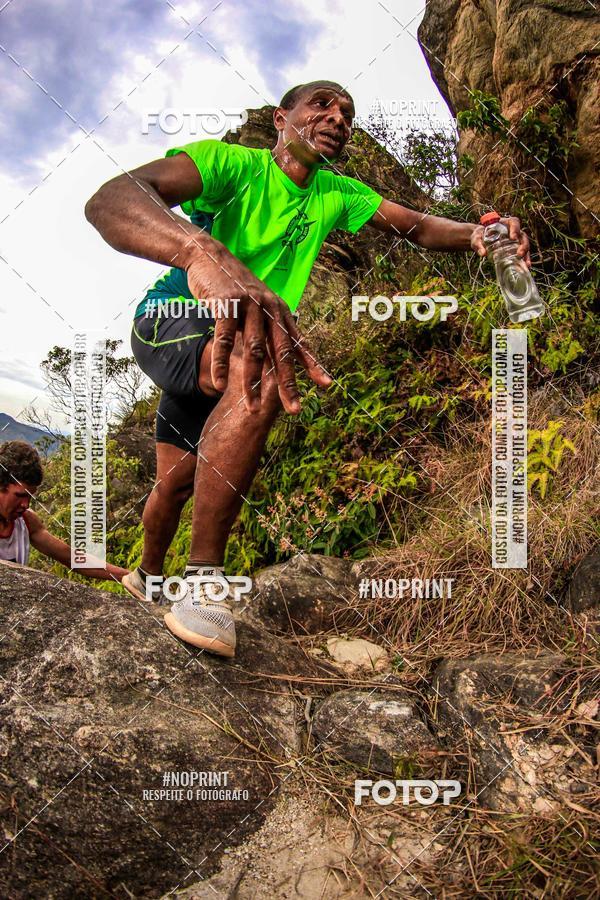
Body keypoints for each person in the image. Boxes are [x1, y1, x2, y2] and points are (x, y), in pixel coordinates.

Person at [85, 79, 530, 658]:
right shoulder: (232, 165)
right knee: (267, 364)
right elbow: (111, 200)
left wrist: (477, 233)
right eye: (322, 103)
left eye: (347, 112)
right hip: (172, 321)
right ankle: (202, 584)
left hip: (237, 348)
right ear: (281, 118)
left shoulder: (336, 193)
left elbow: (418, 227)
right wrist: (204, 253)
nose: (337, 116)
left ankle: (143, 579)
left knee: (174, 483)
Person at [0, 440, 128, 583]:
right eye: (20, 496)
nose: (25, 504)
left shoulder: (27, 521)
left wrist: (127, 576)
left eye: (30, 497)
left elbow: (70, 557)